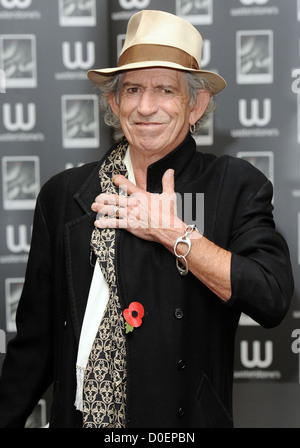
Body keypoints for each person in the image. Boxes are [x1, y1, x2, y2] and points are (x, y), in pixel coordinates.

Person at [0, 10, 294, 429]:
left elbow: (271, 295)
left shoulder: (234, 185)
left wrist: (173, 232)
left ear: (197, 104)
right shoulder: (64, 194)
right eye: (133, 89)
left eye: (165, 90)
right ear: (113, 101)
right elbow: (33, 347)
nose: (145, 107)